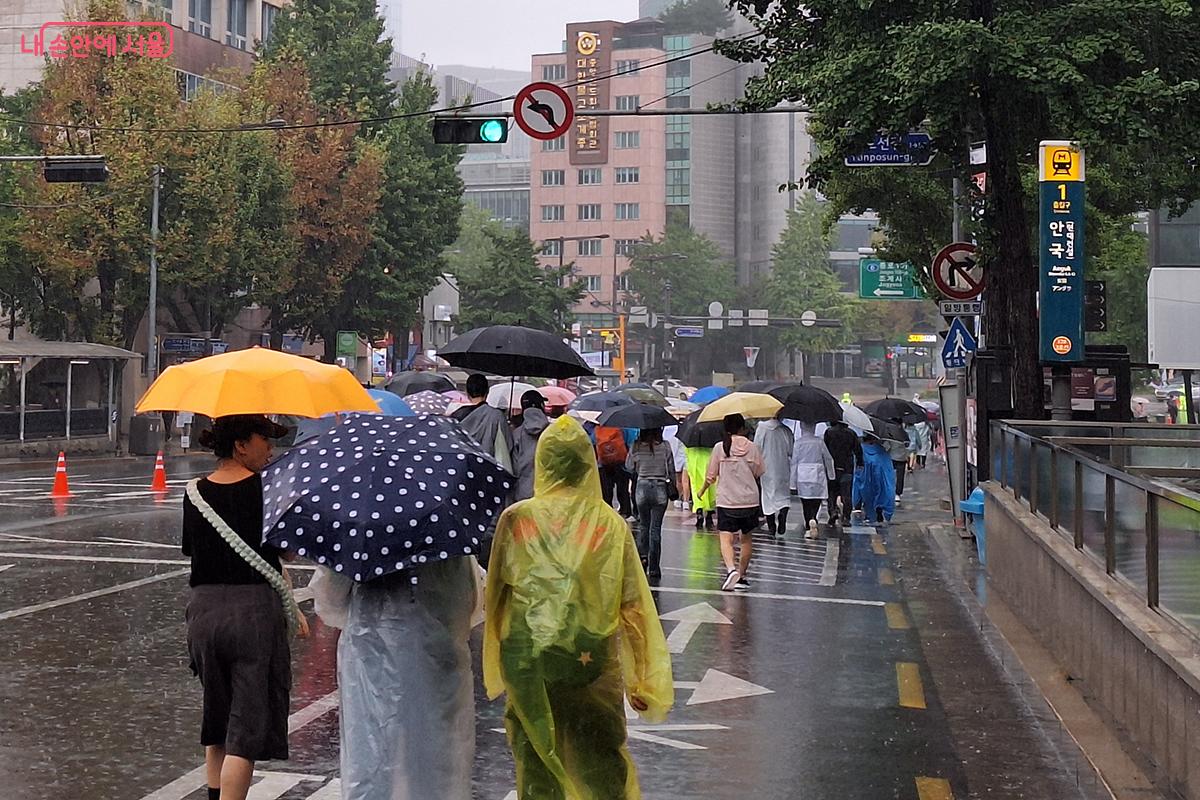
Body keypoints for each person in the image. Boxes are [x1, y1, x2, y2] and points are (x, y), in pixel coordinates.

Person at [484, 416, 674, 799]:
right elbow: (634, 605)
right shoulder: (610, 523)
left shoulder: (516, 519)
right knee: (600, 757)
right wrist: (643, 680)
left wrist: (501, 661)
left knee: (535, 758)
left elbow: (496, 596)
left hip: (528, 662)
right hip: (590, 660)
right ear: (587, 463)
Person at [182, 414, 305, 800]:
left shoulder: (194, 491)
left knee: (216, 717)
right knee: (245, 729)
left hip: (203, 613)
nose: (270, 449)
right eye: (263, 439)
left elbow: (192, 549)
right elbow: (284, 550)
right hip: (252, 613)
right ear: (240, 445)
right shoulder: (268, 489)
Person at [309, 558, 479, 799]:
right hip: (437, 653)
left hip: (371, 656)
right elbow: (469, 602)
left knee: (372, 753)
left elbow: (330, 599)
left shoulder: (361, 529)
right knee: (436, 755)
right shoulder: (447, 535)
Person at [698, 414, 766, 591]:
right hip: (749, 500)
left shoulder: (720, 447)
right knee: (746, 539)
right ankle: (742, 576)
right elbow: (759, 471)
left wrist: (702, 490)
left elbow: (711, 476)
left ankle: (731, 570)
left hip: (727, 501)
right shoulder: (752, 447)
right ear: (743, 428)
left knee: (726, 538)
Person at [626, 427, 674, 578]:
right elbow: (671, 469)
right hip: (660, 488)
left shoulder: (636, 445)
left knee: (644, 526)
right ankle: (654, 567)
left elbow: (629, 466)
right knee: (656, 529)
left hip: (642, 487)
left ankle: (643, 558)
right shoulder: (665, 446)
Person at [451, 373, 514, 472]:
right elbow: (507, 447)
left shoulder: (455, 417)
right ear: (487, 391)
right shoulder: (496, 416)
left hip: (462, 471)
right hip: (488, 472)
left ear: (467, 392)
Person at [790, 422, 836, 539]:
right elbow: (828, 458)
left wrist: (792, 483)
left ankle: (808, 525)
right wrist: (831, 475)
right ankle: (813, 517)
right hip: (817, 475)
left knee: (805, 502)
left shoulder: (799, 443)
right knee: (816, 500)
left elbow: (794, 462)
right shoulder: (819, 442)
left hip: (802, 476)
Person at [753, 415, 794, 538]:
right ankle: (783, 514)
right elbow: (791, 451)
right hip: (783, 467)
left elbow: (757, 448)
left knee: (767, 496)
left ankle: (771, 527)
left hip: (767, 467)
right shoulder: (786, 430)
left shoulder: (762, 428)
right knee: (783, 494)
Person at [510, 390, 550, 502]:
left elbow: (514, 467)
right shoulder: (553, 431)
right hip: (548, 493)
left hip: (523, 495)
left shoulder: (516, 434)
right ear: (542, 406)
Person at [824, 418, 863, 527]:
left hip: (832, 466)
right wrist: (860, 462)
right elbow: (858, 450)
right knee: (847, 494)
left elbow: (825, 449)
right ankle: (846, 517)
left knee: (832, 492)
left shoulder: (829, 432)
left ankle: (833, 511)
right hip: (847, 467)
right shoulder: (851, 433)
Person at [853, 432, 897, 525]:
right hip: (880, 477)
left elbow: (857, 466)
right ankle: (879, 510)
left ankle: (869, 513)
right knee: (880, 493)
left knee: (867, 496)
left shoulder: (860, 449)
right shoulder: (882, 451)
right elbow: (888, 469)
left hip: (866, 478)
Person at [595, 423, 634, 517]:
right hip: (621, 462)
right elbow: (629, 441)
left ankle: (608, 512)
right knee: (623, 488)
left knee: (606, 489)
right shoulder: (623, 426)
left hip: (603, 464)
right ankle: (625, 511)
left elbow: (592, 441)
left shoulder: (597, 428)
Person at [685, 443, 717, 530]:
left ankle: (699, 512)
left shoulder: (691, 439)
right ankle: (709, 515)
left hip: (694, 463)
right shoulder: (711, 438)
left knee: (696, 488)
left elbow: (686, 452)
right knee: (710, 488)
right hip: (708, 462)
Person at [664, 424, 690, 510]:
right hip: (687, 458)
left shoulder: (672, 434)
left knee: (678, 481)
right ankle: (686, 501)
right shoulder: (688, 434)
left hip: (677, 459)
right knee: (685, 481)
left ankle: (678, 499)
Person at [884, 421, 910, 507]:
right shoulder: (903, 433)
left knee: (890, 475)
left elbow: (887, 446)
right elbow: (907, 443)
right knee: (900, 476)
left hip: (891, 457)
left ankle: (890, 491)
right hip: (902, 457)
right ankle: (898, 494)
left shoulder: (890, 433)